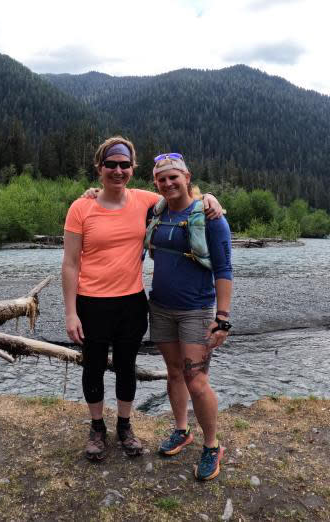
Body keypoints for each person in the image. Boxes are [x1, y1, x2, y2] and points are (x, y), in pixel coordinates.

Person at [61, 136, 222, 462]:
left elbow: (180, 195)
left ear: (132, 169)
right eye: (111, 165)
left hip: (132, 301)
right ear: (99, 168)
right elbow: (70, 263)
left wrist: (208, 197)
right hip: (90, 302)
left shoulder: (146, 200)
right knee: (92, 367)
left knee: (125, 367)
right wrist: (69, 313)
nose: (118, 171)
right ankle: (96, 428)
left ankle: (124, 425)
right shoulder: (82, 207)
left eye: (124, 165)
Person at [146, 152, 232, 481]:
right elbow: (120, 195)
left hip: (196, 310)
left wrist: (222, 317)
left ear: (187, 177)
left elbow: (224, 270)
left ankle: (212, 447)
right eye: (161, 179)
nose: (168, 183)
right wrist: (92, 193)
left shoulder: (211, 216)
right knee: (173, 373)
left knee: (196, 380)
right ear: (156, 182)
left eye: (174, 177)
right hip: (161, 308)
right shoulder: (157, 213)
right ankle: (182, 431)